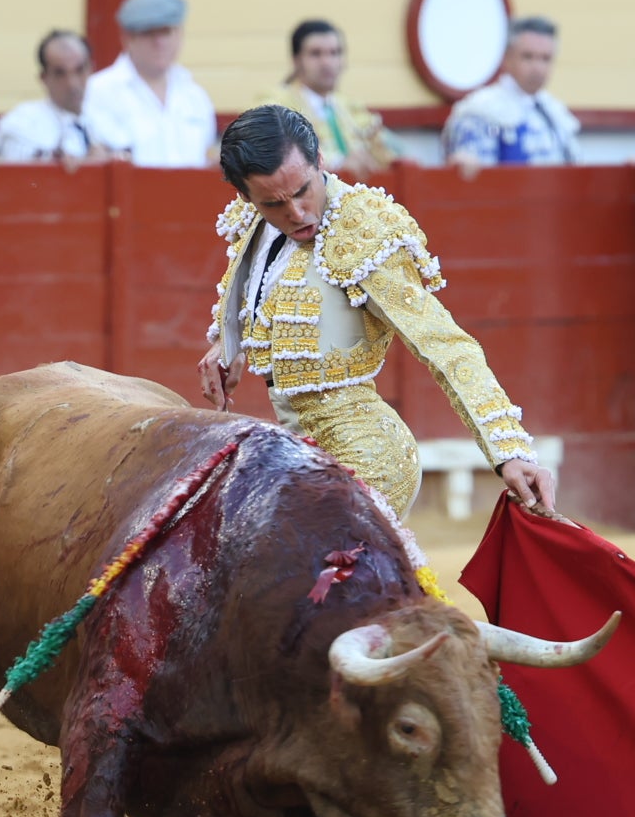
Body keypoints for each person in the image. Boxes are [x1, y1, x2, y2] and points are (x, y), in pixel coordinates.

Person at [200, 102, 554, 522]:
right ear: (246, 197)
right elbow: (255, 282)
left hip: (370, 456)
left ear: (321, 161)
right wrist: (228, 341)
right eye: (274, 204)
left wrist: (508, 450)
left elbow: (444, 344)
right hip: (298, 446)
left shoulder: (365, 233)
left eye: (302, 191)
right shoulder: (256, 221)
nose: (296, 213)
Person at [82, 0, 219, 167]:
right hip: (130, 194)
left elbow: (206, 157)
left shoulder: (195, 95)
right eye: (148, 33)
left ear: (179, 35)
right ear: (128, 38)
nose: (159, 42)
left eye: (166, 32)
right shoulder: (98, 91)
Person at [442, 15, 581, 167]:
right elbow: (477, 179)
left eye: (545, 58)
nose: (538, 68)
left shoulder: (555, 111)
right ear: (507, 58)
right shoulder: (482, 110)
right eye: (528, 57)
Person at [262, 18, 394, 173]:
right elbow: (282, 155)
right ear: (297, 61)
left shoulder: (351, 107)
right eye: (315, 54)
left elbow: (390, 154)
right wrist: (339, 163)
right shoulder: (276, 105)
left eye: (334, 53)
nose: (327, 62)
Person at [0, 30, 116, 163]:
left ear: (91, 69)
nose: (72, 84)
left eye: (79, 70)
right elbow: (20, 174)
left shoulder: (109, 117)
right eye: (60, 73)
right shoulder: (23, 122)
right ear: (44, 78)